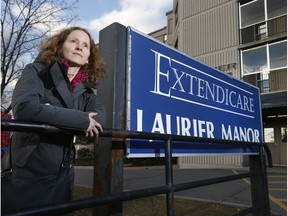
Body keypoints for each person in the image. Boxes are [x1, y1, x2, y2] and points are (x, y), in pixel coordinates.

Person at [1, 26, 107, 213]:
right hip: (27, 171)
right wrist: (82, 120)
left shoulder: (86, 91)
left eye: (85, 45)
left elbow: (100, 119)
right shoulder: (37, 71)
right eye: (73, 41)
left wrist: (49, 112)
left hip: (63, 173)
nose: (79, 47)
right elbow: (25, 108)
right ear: (60, 46)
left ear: (89, 56)